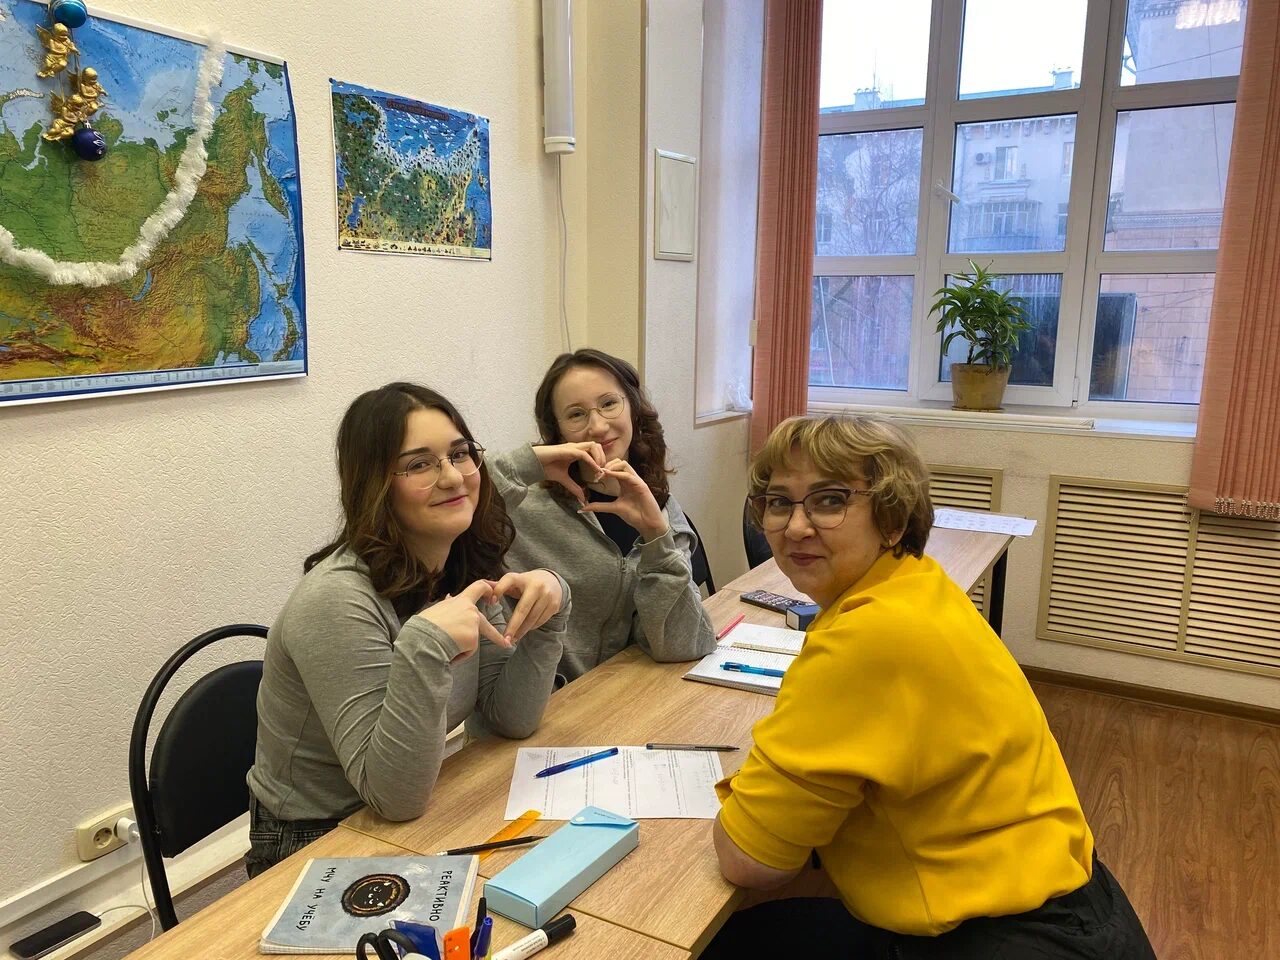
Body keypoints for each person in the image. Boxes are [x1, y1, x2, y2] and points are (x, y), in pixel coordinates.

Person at [705, 415, 1155, 959]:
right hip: (1075, 907)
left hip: (1004, 941)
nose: (796, 526)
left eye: (829, 500)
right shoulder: (918, 585)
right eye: (780, 502)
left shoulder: (866, 638)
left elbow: (749, 862)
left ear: (892, 520)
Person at [245, 383, 570, 877]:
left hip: (423, 792)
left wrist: (550, 610)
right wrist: (425, 644)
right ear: (375, 485)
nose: (453, 477)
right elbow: (392, 797)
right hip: (319, 832)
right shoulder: (336, 599)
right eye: (419, 464)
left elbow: (510, 716)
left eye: (459, 454)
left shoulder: (458, 561)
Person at [488, 349, 716, 682]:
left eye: (609, 404)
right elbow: (453, 491)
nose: (597, 426)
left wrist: (656, 536)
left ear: (633, 408)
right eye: (576, 414)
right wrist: (528, 463)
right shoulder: (521, 507)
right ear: (557, 430)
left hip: (615, 696)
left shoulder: (663, 512)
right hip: (531, 700)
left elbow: (681, 645)